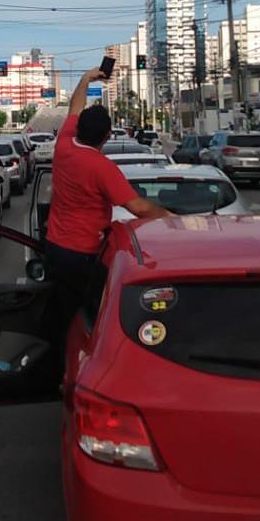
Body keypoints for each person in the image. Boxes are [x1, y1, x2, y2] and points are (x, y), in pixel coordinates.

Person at [45, 67, 171, 340]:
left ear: (78, 129)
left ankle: (56, 365)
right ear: (106, 136)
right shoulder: (102, 168)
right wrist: (173, 218)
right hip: (84, 255)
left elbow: (74, 109)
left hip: (55, 247)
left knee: (61, 315)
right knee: (89, 321)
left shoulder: (64, 145)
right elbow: (138, 208)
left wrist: (85, 79)